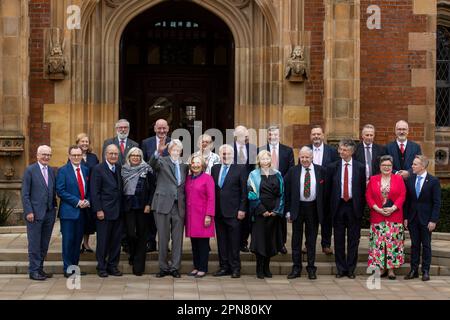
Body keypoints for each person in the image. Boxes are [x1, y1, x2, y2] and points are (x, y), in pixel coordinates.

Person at [285, 146, 326, 280]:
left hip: (313, 208)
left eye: (307, 157)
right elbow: (287, 192)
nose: (304, 160)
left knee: (311, 240)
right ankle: (296, 268)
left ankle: (311, 268)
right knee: (296, 240)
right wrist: (288, 211)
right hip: (297, 208)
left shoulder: (321, 171)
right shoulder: (293, 171)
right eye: (302, 157)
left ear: (312, 157)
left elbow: (326, 193)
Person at [149, 139, 188, 278]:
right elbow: (152, 164)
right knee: (163, 238)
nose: (176, 152)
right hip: (163, 204)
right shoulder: (162, 161)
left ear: (181, 151)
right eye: (173, 149)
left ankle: (175, 267)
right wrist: (158, 152)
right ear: (169, 150)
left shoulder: (185, 166)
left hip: (179, 206)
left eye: (178, 150)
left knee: (177, 239)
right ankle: (163, 267)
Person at [328, 139, 366, 279]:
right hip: (338, 207)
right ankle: (340, 268)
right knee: (338, 240)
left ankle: (351, 268)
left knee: (353, 240)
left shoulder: (360, 167)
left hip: (353, 207)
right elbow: (328, 190)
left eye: (344, 150)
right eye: (340, 149)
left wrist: (360, 209)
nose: (341, 152)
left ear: (351, 151)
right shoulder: (333, 167)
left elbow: (362, 190)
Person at [365, 155, 406, 280]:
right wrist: (377, 209)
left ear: (392, 167)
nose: (386, 167)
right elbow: (369, 196)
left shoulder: (398, 179)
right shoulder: (373, 179)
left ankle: (391, 270)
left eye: (389, 165)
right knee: (378, 244)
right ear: (380, 167)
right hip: (377, 216)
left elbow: (402, 195)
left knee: (393, 243)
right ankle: (381, 268)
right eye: (384, 165)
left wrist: (393, 208)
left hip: (394, 216)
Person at [21, 145, 57, 281]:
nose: (46, 157)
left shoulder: (52, 171)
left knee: (44, 244)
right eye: (44, 154)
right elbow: (25, 194)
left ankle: (40, 269)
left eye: (49, 155)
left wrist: (54, 208)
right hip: (34, 214)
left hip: (49, 213)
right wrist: (29, 211)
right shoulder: (30, 170)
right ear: (37, 155)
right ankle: (33, 271)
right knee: (34, 244)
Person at [211, 145, 247, 278]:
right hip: (218, 211)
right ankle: (224, 267)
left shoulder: (240, 169)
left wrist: (242, 209)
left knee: (234, 241)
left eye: (228, 154)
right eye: (223, 154)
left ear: (233, 155)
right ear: (220, 155)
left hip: (234, 212)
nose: (226, 156)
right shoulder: (215, 169)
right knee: (221, 241)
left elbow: (244, 191)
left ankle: (235, 268)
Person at [102, 119, 138, 254]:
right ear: (116, 128)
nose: (123, 130)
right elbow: (104, 166)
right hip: (113, 186)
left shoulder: (134, 144)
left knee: (127, 216)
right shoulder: (108, 143)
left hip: (129, 187)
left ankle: (126, 242)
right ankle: (117, 242)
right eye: (120, 127)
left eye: (125, 128)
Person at [247, 150, 284, 279]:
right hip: (259, 213)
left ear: (271, 160)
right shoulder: (253, 174)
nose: (265, 161)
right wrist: (262, 210)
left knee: (270, 241)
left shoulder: (278, 174)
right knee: (260, 241)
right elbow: (251, 193)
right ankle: (259, 268)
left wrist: (276, 210)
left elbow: (281, 194)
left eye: (267, 158)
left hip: (273, 212)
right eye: (263, 159)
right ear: (259, 161)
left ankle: (267, 268)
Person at [404, 155, 441, 281]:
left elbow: (437, 202)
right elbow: (408, 200)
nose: (412, 166)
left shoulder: (433, 181)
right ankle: (413, 270)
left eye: (415, 164)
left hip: (427, 220)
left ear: (423, 166)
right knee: (414, 245)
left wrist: (433, 220)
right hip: (413, 218)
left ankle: (425, 271)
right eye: (413, 164)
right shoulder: (410, 179)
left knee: (426, 245)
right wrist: (406, 218)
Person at [259, 125, 294, 254]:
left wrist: (279, 182)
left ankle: (281, 244)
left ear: (279, 136)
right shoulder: (260, 150)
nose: (272, 136)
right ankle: (266, 243)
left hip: (281, 190)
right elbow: (256, 169)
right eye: (270, 134)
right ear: (267, 135)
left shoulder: (287, 150)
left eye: (275, 134)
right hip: (264, 190)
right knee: (265, 218)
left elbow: (291, 169)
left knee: (280, 218)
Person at [56, 145, 90, 277]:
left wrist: (88, 200)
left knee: (77, 242)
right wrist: (77, 202)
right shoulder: (63, 171)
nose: (76, 157)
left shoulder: (86, 170)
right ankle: (67, 269)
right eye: (74, 155)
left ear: (82, 156)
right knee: (68, 242)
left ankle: (75, 268)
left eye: (79, 155)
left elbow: (88, 189)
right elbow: (60, 191)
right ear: (69, 156)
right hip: (69, 213)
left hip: (82, 213)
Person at [121, 147, 155, 276]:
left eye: (138, 156)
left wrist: (149, 204)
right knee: (130, 234)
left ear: (141, 158)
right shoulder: (123, 170)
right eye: (133, 155)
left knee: (142, 235)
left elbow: (152, 188)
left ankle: (139, 266)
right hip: (128, 206)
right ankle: (133, 254)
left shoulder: (147, 170)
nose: (135, 157)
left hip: (143, 207)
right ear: (129, 157)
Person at [90, 144, 123, 277]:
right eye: (111, 153)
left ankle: (113, 266)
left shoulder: (119, 168)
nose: (114, 156)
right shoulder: (98, 169)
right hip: (104, 211)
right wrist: (98, 210)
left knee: (116, 241)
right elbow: (94, 191)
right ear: (105, 155)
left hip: (119, 211)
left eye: (116, 154)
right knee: (103, 241)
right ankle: (101, 267)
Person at [307, 125, 338, 255]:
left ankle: (326, 244)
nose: (316, 136)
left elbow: (336, 170)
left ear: (323, 135)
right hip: (310, 191)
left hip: (327, 190)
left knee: (326, 219)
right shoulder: (306, 150)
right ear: (310, 136)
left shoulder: (331, 151)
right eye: (314, 134)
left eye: (318, 134)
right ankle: (308, 245)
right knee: (310, 219)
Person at [141, 119, 171, 252]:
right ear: (154, 129)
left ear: (168, 128)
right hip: (150, 184)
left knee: (166, 216)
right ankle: (150, 242)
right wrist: (157, 152)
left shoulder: (173, 143)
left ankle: (165, 244)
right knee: (150, 216)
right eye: (159, 128)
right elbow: (143, 163)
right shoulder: (146, 143)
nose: (162, 131)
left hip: (167, 185)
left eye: (164, 128)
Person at [185, 155, 215, 278]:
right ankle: (196, 266)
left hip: (203, 216)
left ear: (202, 165)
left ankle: (203, 268)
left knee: (203, 244)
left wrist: (209, 215)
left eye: (198, 163)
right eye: (193, 163)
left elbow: (211, 198)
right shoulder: (188, 178)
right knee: (194, 244)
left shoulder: (207, 178)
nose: (195, 165)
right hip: (191, 216)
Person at [233, 125, 256, 253]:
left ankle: (243, 242)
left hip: (247, 186)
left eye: (247, 136)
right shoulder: (229, 148)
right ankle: (234, 242)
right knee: (234, 215)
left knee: (246, 216)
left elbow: (253, 169)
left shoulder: (252, 149)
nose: (246, 138)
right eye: (243, 136)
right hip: (233, 187)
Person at [76, 133, 99, 253]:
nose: (85, 144)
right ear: (77, 143)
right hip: (78, 192)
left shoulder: (93, 157)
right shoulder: (74, 156)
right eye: (82, 141)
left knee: (89, 220)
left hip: (91, 191)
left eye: (86, 142)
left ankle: (86, 244)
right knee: (79, 220)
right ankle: (78, 243)